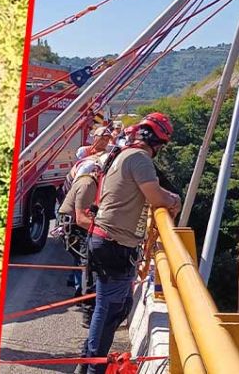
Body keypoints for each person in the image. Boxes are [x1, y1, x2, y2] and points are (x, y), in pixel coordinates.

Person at [75, 112, 181, 374]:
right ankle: (93, 365)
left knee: (110, 305)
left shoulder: (124, 155)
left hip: (104, 240)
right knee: (111, 307)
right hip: (114, 243)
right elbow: (155, 196)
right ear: (157, 142)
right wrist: (173, 200)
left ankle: (90, 360)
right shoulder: (140, 159)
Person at [57, 160, 100, 298]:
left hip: (71, 226)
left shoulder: (87, 182)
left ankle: (79, 288)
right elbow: (81, 219)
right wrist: (105, 232)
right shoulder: (88, 184)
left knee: (80, 259)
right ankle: (84, 295)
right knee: (86, 260)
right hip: (73, 228)